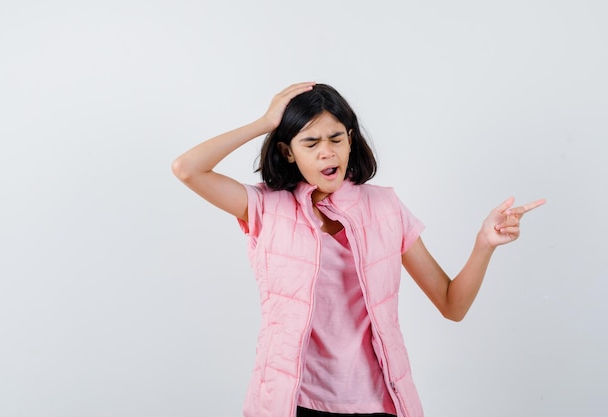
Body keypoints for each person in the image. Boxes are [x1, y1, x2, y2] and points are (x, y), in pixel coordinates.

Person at [171, 82, 545, 417]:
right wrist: (265, 122)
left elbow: (452, 305)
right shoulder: (267, 208)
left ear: (351, 139)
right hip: (293, 402)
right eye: (310, 142)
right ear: (287, 152)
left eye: (336, 138)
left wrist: (484, 244)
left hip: (378, 402)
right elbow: (188, 169)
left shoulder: (385, 208)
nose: (327, 153)